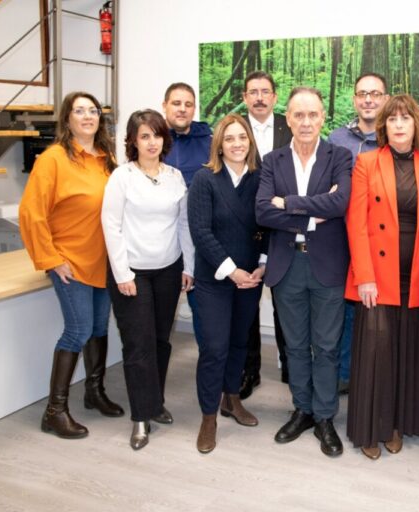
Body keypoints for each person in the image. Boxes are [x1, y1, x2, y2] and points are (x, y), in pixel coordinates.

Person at [345, 94, 419, 459]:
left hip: (417, 274)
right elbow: (356, 224)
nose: (399, 125)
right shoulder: (367, 163)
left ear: (416, 124)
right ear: (384, 126)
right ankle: (371, 428)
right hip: (377, 274)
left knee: (408, 352)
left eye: (406, 118)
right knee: (376, 351)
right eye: (393, 119)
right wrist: (364, 277)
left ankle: (398, 423)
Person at [19, 91, 123, 439]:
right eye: (79, 111)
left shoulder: (106, 158)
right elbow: (31, 213)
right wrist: (51, 258)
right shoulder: (53, 159)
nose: (87, 116)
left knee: (98, 329)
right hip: (70, 262)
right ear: (67, 120)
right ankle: (54, 411)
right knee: (77, 331)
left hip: (103, 261)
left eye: (93, 110)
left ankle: (94, 393)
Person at [256, 87, 352, 458]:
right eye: (299, 115)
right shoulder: (272, 160)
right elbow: (263, 211)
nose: (306, 122)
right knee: (294, 346)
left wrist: (290, 205)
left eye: (313, 115)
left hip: (327, 265)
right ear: (288, 119)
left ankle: (325, 416)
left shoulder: (339, 156)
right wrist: (313, 214)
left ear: (323, 117)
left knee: (326, 348)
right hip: (287, 265)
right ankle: (303, 410)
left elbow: (340, 202)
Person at [102, 109, 194, 450]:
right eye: (144, 136)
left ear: (163, 139)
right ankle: (140, 417)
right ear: (133, 141)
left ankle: (155, 404)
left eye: (156, 135)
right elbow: (110, 226)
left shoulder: (174, 176)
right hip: (132, 274)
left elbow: (183, 224)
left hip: (169, 270)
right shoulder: (121, 177)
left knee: (160, 341)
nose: (151, 142)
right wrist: (123, 273)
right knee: (139, 345)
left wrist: (189, 266)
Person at [188, 114, 266, 453]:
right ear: (219, 143)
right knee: (214, 348)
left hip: (250, 279)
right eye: (230, 138)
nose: (237, 144)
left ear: (250, 142)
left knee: (239, 344)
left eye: (242, 137)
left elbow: (267, 225)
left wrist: (262, 265)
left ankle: (231, 399)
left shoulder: (260, 178)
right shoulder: (205, 180)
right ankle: (208, 417)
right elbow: (201, 232)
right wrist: (231, 270)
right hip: (215, 280)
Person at [328, 72, 390, 395]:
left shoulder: (394, 136)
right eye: (363, 94)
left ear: (385, 99)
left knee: (377, 307)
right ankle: (344, 373)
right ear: (354, 99)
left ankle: (374, 375)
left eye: (375, 94)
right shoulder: (337, 138)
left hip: (381, 239)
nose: (368, 99)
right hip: (339, 235)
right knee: (345, 306)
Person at [240, 70, 293, 396]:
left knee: (285, 303)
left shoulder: (291, 129)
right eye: (253, 92)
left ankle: (291, 367)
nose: (259, 97)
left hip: (283, 228)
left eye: (265, 91)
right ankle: (249, 371)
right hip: (245, 229)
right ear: (245, 97)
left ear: (275, 97)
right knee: (246, 305)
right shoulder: (233, 130)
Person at [161, 82, 211, 417]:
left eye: (188, 104)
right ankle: (154, 395)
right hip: (162, 244)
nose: (182, 108)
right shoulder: (152, 138)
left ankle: (214, 392)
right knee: (159, 327)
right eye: (176, 103)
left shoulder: (208, 140)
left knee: (206, 322)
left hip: (199, 241)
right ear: (165, 105)